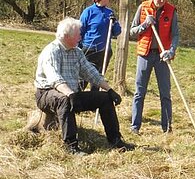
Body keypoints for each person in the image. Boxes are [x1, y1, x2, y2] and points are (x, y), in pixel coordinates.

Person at [34, 17, 133, 155]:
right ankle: (71, 146)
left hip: (71, 93)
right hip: (46, 93)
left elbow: (91, 73)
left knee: (104, 99)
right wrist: (71, 94)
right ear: (67, 36)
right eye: (78, 34)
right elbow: (54, 78)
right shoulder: (51, 51)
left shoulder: (77, 51)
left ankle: (115, 140)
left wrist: (109, 90)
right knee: (65, 100)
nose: (81, 36)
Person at [129, 0, 179, 134]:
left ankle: (167, 127)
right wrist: (144, 24)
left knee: (165, 92)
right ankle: (135, 126)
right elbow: (132, 31)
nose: (162, 1)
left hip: (162, 57)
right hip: (145, 55)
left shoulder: (171, 11)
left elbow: (176, 34)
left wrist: (171, 50)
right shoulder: (143, 7)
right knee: (139, 92)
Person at [79, 0, 122, 92]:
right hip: (89, 50)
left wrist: (114, 22)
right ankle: (75, 101)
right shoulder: (88, 12)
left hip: (104, 51)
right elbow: (80, 30)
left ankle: (93, 105)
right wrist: (79, 48)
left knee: (97, 80)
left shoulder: (110, 13)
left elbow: (117, 32)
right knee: (83, 79)